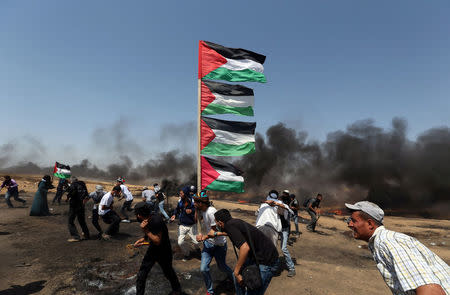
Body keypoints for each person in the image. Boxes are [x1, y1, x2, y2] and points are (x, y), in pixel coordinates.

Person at [346, 201, 450, 294]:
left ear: (370, 224)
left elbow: (431, 290)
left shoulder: (387, 242)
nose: (349, 224)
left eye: (353, 220)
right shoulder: (382, 241)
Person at [214, 209, 279, 295]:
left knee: (253, 290)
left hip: (267, 261)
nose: (215, 224)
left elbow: (245, 248)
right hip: (260, 255)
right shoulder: (234, 222)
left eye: (216, 222)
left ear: (220, 222)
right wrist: (217, 234)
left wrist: (237, 272)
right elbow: (236, 233)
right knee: (236, 278)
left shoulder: (229, 226)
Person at [133, 202, 182, 295]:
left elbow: (157, 240)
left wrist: (145, 230)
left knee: (168, 272)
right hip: (153, 249)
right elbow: (151, 233)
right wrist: (143, 239)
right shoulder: (146, 218)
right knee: (141, 275)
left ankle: (177, 290)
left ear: (139, 215)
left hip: (164, 250)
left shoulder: (156, 220)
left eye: (136, 214)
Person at [194, 191, 233, 295]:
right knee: (203, 269)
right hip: (208, 244)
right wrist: (196, 210)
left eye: (195, 202)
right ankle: (210, 291)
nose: (193, 203)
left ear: (201, 203)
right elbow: (196, 220)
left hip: (219, 245)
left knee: (222, 266)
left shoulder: (211, 212)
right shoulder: (202, 209)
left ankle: (234, 277)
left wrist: (203, 237)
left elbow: (214, 231)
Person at [256, 190, 295, 277]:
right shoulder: (268, 206)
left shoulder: (282, 205)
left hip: (284, 229)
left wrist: (277, 204)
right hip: (277, 229)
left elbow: (290, 212)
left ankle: (292, 268)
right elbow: (259, 212)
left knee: (283, 248)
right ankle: (270, 267)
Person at [170, 186, 200, 261]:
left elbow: (197, 208)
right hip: (182, 225)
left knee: (196, 242)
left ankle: (198, 251)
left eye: (181, 193)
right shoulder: (180, 200)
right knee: (180, 242)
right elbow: (177, 209)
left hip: (191, 225)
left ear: (185, 193)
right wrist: (174, 214)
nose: (180, 194)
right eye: (180, 193)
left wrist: (192, 211)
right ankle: (187, 254)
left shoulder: (193, 200)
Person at [66, 177, 90, 242]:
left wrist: (67, 196)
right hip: (82, 205)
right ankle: (87, 235)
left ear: (72, 181)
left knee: (70, 221)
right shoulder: (83, 185)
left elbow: (71, 194)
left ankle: (76, 237)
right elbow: (87, 196)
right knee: (82, 221)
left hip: (74, 205)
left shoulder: (73, 185)